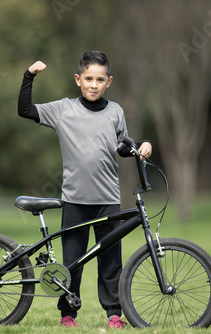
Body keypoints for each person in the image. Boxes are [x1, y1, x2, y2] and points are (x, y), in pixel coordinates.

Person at [17, 51, 152, 329]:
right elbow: (25, 110)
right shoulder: (63, 109)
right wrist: (29, 76)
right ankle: (68, 315)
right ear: (78, 79)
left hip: (108, 200)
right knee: (72, 265)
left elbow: (122, 147)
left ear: (109, 81)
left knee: (111, 263)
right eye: (88, 78)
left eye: (100, 79)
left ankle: (114, 314)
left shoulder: (115, 111)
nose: (94, 84)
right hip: (75, 200)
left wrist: (141, 146)